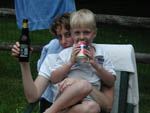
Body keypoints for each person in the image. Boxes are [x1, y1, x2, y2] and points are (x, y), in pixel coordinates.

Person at [11, 11, 115, 113]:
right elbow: (32, 97)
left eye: (67, 35)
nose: (63, 42)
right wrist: (24, 63)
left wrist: (81, 81)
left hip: (86, 107)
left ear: (93, 33)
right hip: (60, 106)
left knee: (92, 107)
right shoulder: (54, 58)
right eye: (59, 37)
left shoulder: (99, 56)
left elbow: (107, 106)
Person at [41, 9, 116, 113]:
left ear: (94, 33)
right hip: (66, 97)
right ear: (72, 34)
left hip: (90, 98)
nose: (81, 37)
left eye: (86, 32)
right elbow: (53, 78)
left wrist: (96, 65)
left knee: (93, 108)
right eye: (77, 33)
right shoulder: (66, 53)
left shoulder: (101, 54)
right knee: (84, 85)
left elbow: (111, 81)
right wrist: (70, 63)